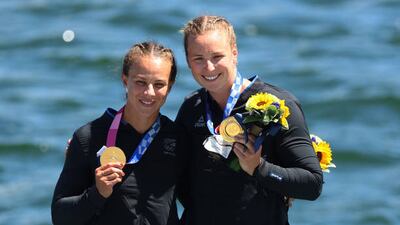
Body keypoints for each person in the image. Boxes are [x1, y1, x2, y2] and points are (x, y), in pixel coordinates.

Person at [175, 15, 323, 225]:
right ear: (188, 60)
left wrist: (259, 168)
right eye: (198, 58)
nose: (208, 67)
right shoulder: (191, 108)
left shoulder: (278, 106)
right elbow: (180, 182)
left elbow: (312, 184)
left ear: (234, 53)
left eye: (217, 56)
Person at [52, 41, 188, 225]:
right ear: (125, 80)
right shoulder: (88, 138)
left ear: (169, 87)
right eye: (140, 82)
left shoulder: (179, 139)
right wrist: (97, 193)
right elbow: (60, 217)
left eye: (159, 84)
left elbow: (203, 200)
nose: (149, 92)